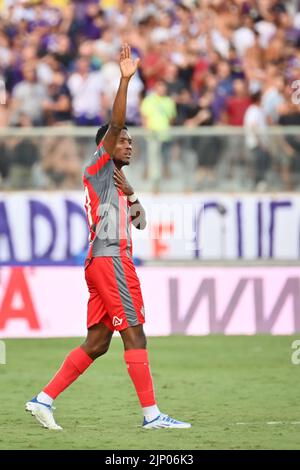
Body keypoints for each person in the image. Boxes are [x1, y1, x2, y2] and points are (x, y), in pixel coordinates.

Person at [25, 44, 191, 431]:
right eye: (123, 140)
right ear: (107, 145)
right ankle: (152, 416)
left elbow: (141, 222)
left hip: (106, 260)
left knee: (99, 342)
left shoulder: (115, 180)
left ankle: (43, 399)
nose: (129, 143)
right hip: (111, 258)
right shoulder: (98, 165)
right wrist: (125, 79)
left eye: (131, 141)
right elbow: (115, 123)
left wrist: (132, 192)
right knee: (135, 333)